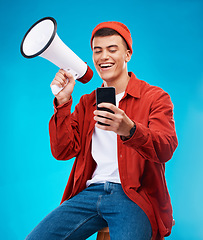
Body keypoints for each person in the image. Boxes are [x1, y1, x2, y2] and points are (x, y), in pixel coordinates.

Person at [26, 21, 178, 240]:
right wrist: (63, 100)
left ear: (127, 55)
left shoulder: (155, 97)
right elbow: (63, 151)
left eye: (112, 49)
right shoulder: (88, 103)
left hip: (132, 196)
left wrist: (130, 130)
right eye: (97, 51)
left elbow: (165, 148)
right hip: (90, 193)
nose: (103, 57)